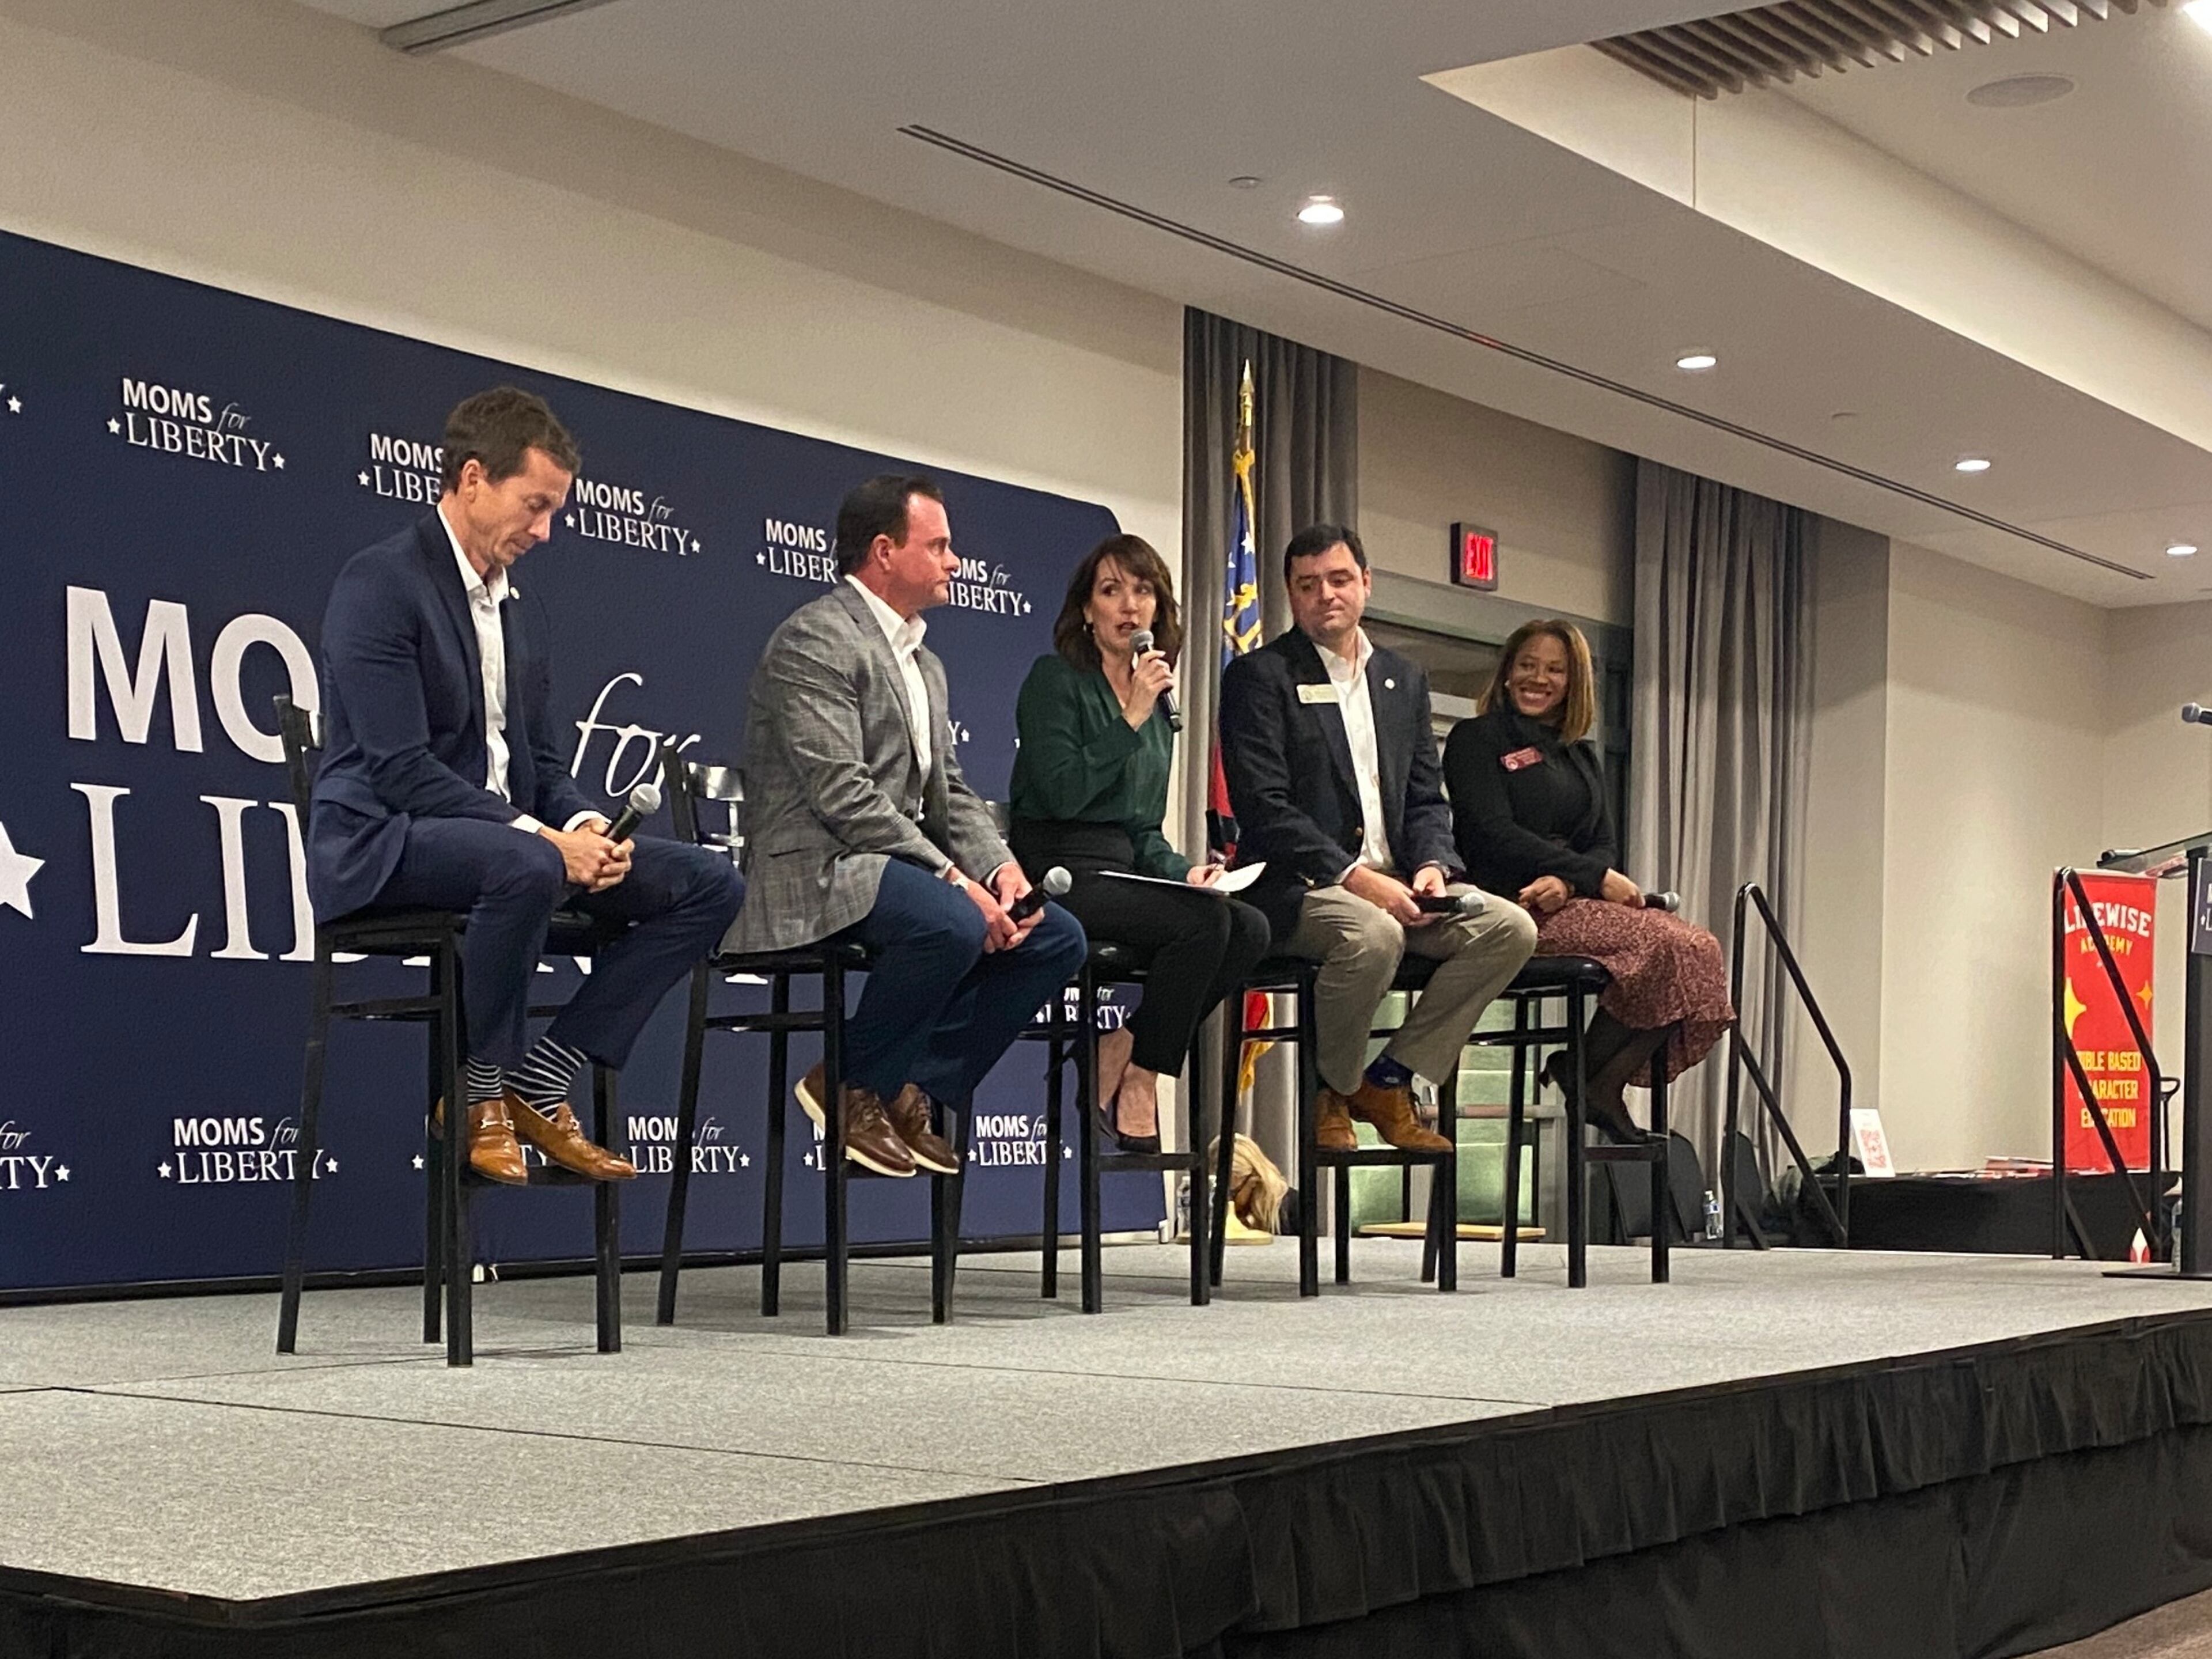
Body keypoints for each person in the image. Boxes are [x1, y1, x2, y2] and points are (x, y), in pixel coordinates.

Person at [309, 387, 745, 1184]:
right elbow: (401, 770)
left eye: (554, 512)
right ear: (473, 478)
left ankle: (543, 1078)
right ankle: (475, 1095)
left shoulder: (520, 609)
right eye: (534, 506)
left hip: (505, 846)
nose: (544, 531)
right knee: (531, 868)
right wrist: (547, 842)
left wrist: (584, 827)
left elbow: (539, 763)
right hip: (384, 839)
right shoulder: (380, 584)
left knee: (709, 881)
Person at [728, 474, 1088, 1177]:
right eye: (942, 545)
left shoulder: (926, 661)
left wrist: (999, 869)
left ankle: (909, 1087)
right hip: (817, 868)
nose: (956, 562)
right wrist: (954, 879)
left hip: (892, 866)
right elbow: (844, 795)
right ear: (885, 551)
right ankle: (850, 1083)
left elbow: (949, 790)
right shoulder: (816, 638)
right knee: (952, 922)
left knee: (1056, 937)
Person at [1219, 524, 1537, 1154]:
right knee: (1374, 932)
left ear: (1366, 583)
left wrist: (1431, 866)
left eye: (1339, 580)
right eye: (1308, 586)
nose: (1325, 596)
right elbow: (1266, 809)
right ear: (1290, 593)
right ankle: (1329, 1092)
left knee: (1510, 929)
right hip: (1301, 886)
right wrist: (1356, 878)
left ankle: (1388, 1079)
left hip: (1399, 881)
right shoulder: (1261, 677)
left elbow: (1425, 796)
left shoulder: (1403, 679)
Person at [1009, 535, 1271, 1152]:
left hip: (1124, 871)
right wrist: (1127, 716)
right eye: (1111, 591)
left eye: (1143, 590)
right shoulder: (1056, 681)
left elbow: (1143, 829)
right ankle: (1142, 1080)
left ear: (1159, 609)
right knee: (1202, 929)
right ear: (1085, 611)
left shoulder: (1157, 704)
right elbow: (1064, 793)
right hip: (1059, 870)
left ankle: (1125, 1047)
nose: (1129, 605)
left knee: (1250, 927)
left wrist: (1184, 875)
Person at [1442, 618, 1733, 1142]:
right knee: (1667, 944)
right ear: (1508, 671)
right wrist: (1591, 877)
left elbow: (1603, 842)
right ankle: (1593, 1081)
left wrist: (1571, 882)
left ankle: (1594, 1076)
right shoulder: (1476, 738)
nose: (1539, 678)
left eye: (1555, 669)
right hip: (1508, 905)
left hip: (1566, 900)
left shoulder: (1579, 753)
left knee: (1700, 949)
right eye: (1527, 665)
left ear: (1574, 682)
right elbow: (1489, 833)